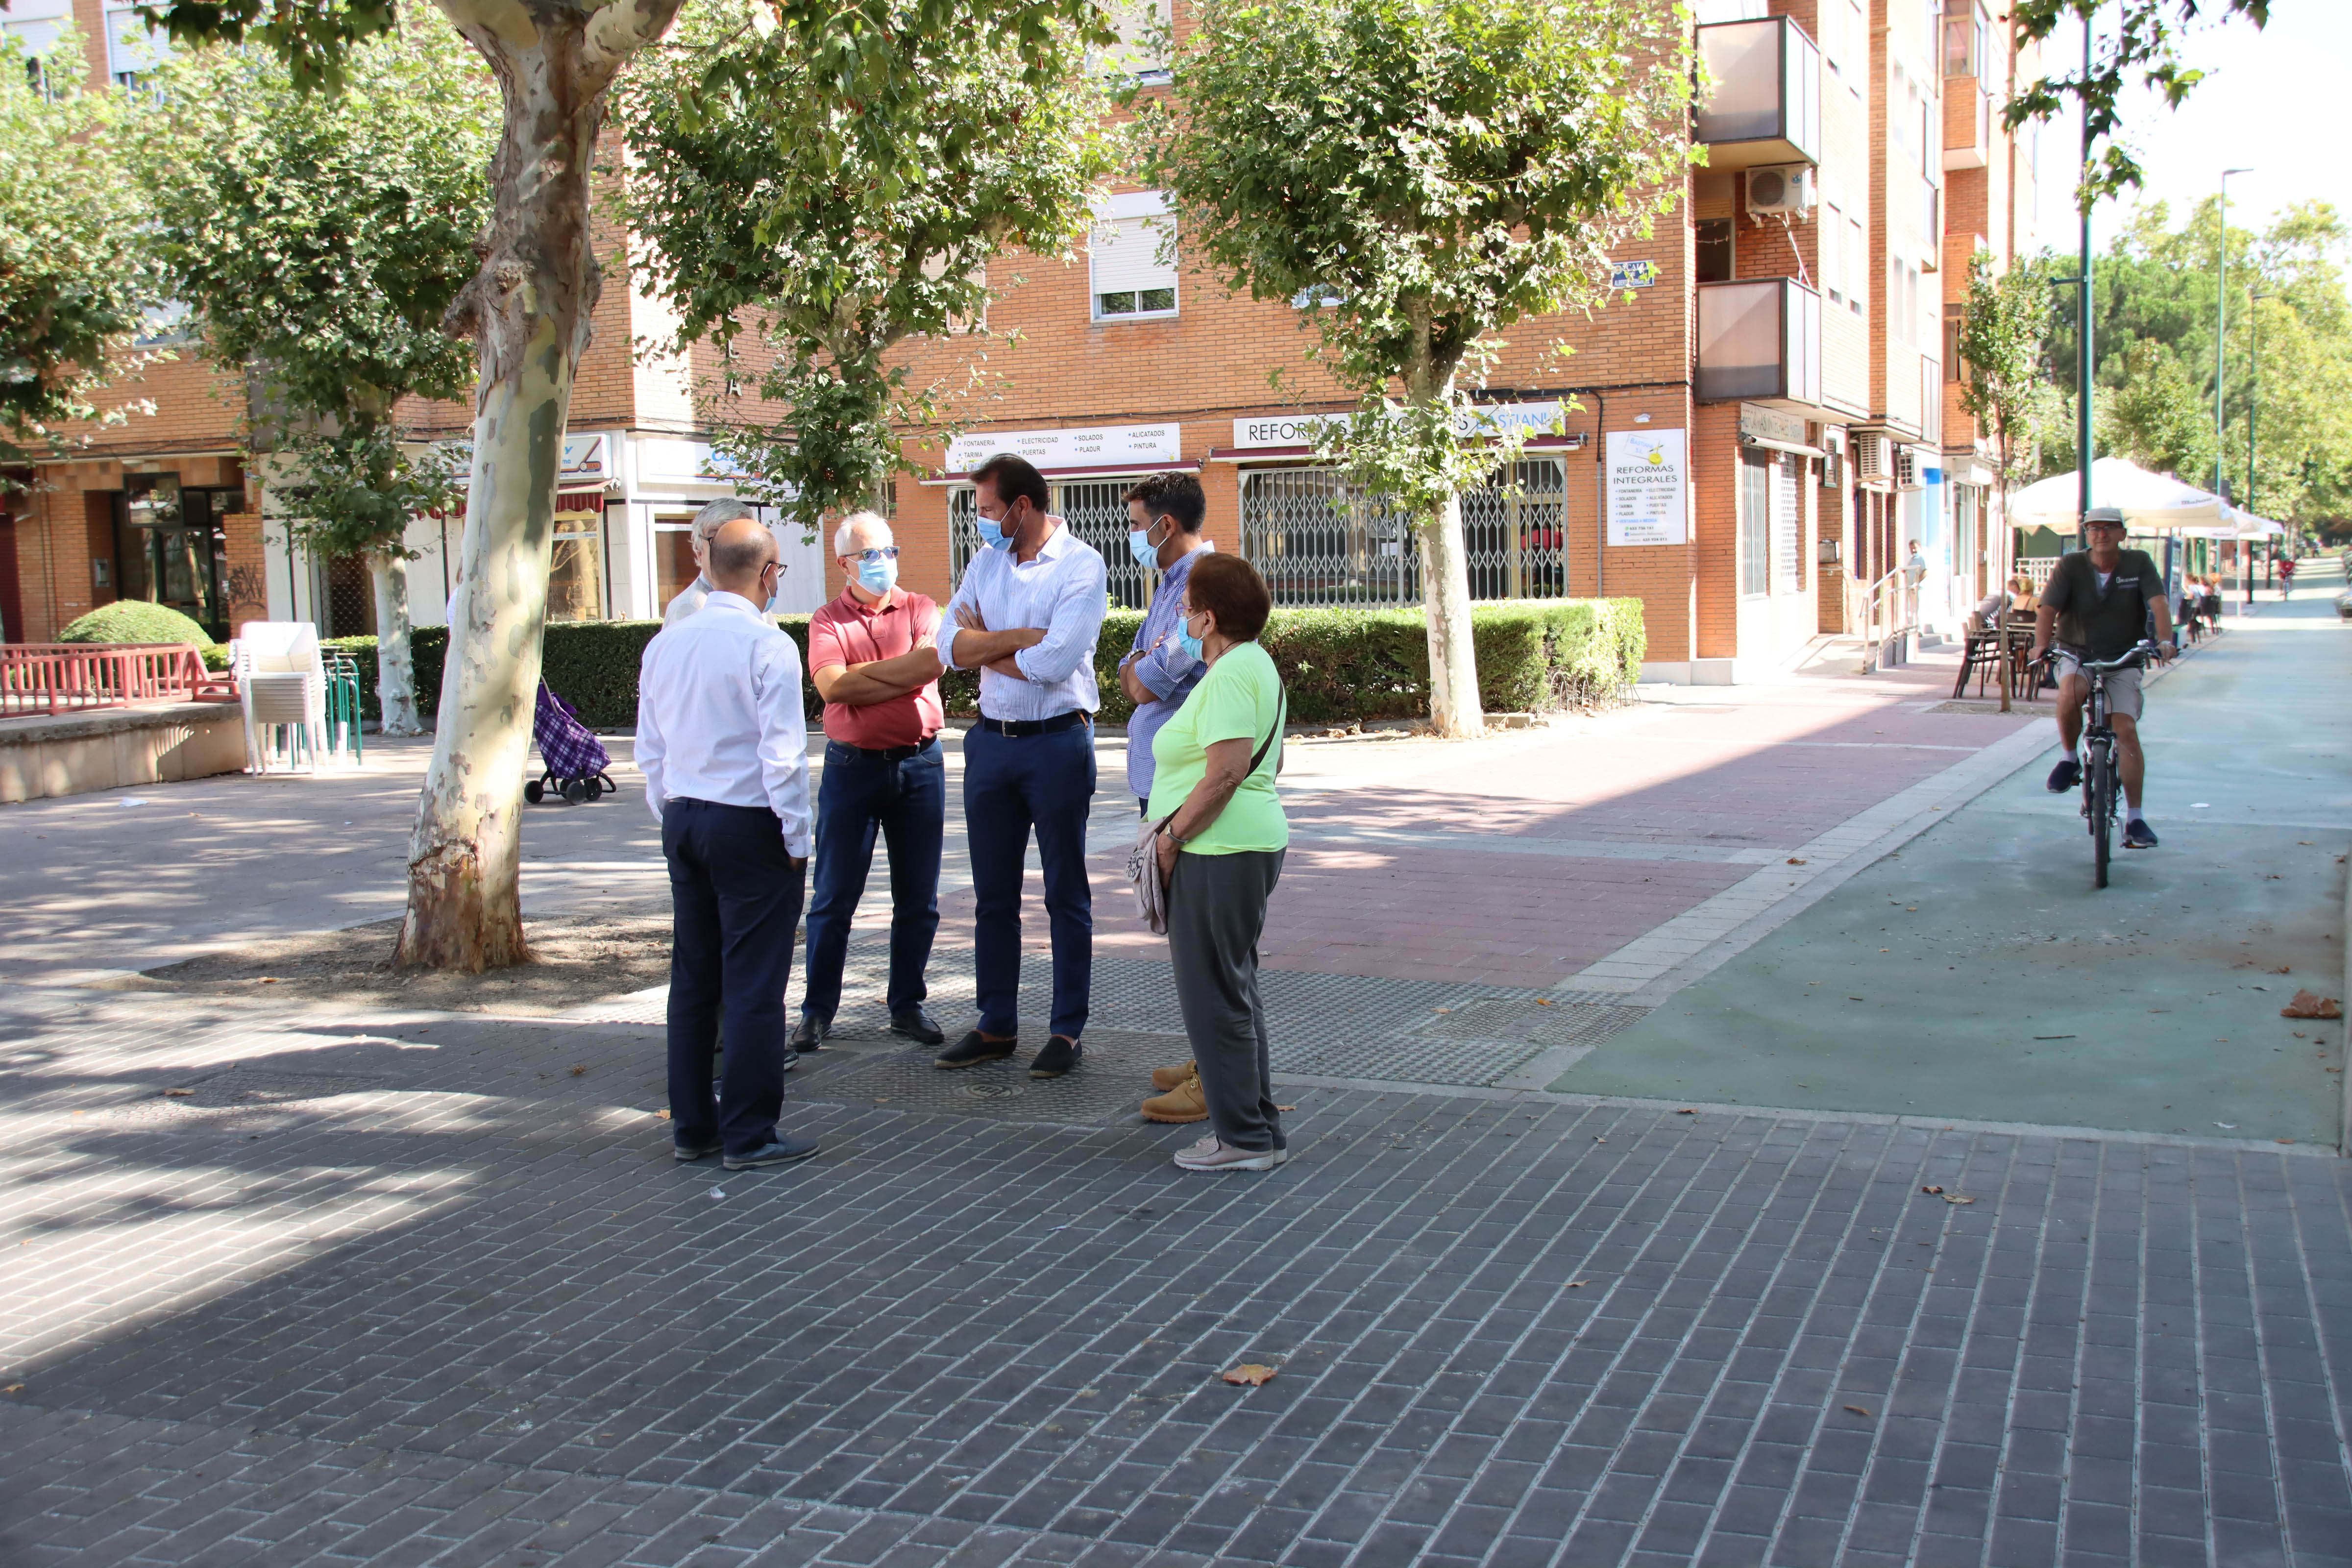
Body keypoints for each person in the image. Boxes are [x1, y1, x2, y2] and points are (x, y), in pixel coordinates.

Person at [636, 518, 818, 1170]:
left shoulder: (666, 643)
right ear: (768, 574)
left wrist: (671, 809)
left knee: (694, 980)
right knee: (753, 983)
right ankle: (749, 1131)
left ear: (709, 566)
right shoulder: (767, 644)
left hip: (685, 815)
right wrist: (797, 834)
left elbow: (650, 749)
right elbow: (783, 755)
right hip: (748, 822)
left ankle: (693, 1126)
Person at [933, 453, 1109, 1078]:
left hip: (1056, 742)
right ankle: (996, 1023)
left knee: (1065, 891)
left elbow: (1055, 663)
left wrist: (985, 644)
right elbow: (946, 645)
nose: (980, 521)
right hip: (991, 743)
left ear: (1022, 506)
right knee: (993, 895)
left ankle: (1066, 1030)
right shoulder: (986, 561)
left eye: (987, 510)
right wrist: (1016, 638)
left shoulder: (1082, 565)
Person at [1137, 553, 1292, 1170]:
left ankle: (1242, 1139)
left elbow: (1227, 771)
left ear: (1209, 618)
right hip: (1239, 846)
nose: (1181, 616)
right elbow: (1266, 764)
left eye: (1188, 607)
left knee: (1215, 998)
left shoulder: (1231, 674)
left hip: (1217, 850)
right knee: (1234, 990)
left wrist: (1171, 838)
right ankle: (1257, 1129)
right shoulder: (1252, 664)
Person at [796, 511, 949, 1051]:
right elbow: (833, 689)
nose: (883, 562)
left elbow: (931, 666)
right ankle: (817, 1012)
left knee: (919, 899)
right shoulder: (827, 619)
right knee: (834, 897)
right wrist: (899, 674)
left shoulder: (922, 607)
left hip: (920, 766)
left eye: (889, 551)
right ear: (844, 564)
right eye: (869, 554)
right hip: (852, 769)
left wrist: (863, 677)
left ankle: (907, 1005)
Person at [2032, 506, 2176, 851]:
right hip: (2078, 653)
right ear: (2086, 534)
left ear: (2122, 534)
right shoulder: (2071, 565)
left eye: (2109, 528)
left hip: (2123, 658)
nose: (2102, 534)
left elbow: (2158, 604)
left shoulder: (2138, 562)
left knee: (2125, 730)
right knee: (2070, 690)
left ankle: (2135, 818)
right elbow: (2047, 609)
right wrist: (2040, 645)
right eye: (2094, 528)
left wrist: (2165, 641)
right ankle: (2070, 759)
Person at [1117, 471, 1213, 816]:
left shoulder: (1205, 585)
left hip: (1185, 778)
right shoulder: (1170, 583)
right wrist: (1141, 658)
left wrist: (1140, 663)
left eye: (1136, 525)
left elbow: (1145, 687)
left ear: (1167, 525)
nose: (1132, 534)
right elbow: (1129, 673)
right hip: (1160, 775)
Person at [662, 498, 757, 628]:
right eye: (716, 538)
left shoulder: (756, 600)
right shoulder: (688, 608)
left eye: (740, 538)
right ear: (699, 550)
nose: (729, 548)